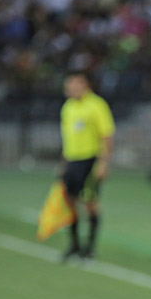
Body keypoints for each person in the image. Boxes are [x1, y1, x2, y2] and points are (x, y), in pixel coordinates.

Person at [58, 70, 114, 261]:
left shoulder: (97, 105)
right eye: (69, 85)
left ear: (85, 85)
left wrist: (103, 163)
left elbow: (106, 135)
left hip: (90, 160)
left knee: (90, 203)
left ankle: (90, 247)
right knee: (70, 202)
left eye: (76, 84)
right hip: (72, 160)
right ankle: (74, 245)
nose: (72, 88)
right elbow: (68, 138)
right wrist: (63, 162)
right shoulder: (68, 107)